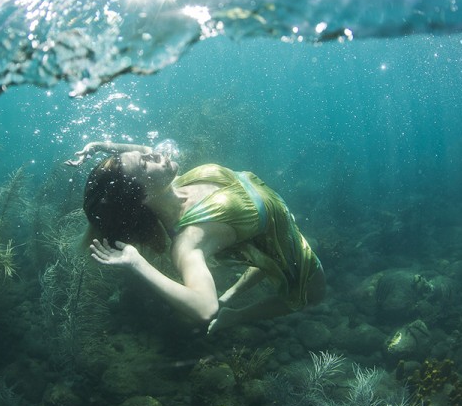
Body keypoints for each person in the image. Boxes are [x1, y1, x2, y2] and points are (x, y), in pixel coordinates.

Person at [66, 141, 325, 333]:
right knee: (313, 294)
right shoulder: (187, 242)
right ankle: (236, 316)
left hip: (270, 223)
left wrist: (103, 146)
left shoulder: (170, 183)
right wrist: (137, 264)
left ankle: (231, 295)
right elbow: (204, 308)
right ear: (142, 196)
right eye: (146, 161)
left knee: (264, 257)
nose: (154, 153)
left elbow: (142, 156)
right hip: (280, 233)